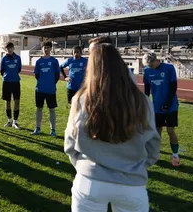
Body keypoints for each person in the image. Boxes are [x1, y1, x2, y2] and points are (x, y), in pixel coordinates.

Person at [64, 43, 161, 212]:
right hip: (131, 184)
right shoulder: (142, 101)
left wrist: (83, 165)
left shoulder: (81, 99)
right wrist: (134, 167)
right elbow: (153, 146)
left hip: (90, 182)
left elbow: (70, 144)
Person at [143, 52, 181, 167]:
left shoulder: (169, 68)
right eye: (147, 65)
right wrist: (146, 103)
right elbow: (147, 89)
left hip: (171, 106)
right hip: (156, 107)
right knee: (157, 132)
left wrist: (168, 103)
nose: (149, 67)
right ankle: (155, 154)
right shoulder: (147, 71)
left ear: (156, 60)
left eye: (150, 64)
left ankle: (175, 155)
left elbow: (174, 86)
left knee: (170, 131)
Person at [32, 41, 59, 137]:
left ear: (51, 49)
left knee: (52, 110)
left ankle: (53, 130)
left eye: (48, 47)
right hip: (40, 89)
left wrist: (51, 83)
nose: (46, 49)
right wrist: (42, 82)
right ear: (42, 48)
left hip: (51, 90)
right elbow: (36, 75)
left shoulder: (54, 61)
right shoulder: (38, 61)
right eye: (44, 47)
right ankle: (38, 128)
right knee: (39, 108)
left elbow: (57, 75)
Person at [0, 42, 22, 129]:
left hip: (16, 82)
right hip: (7, 82)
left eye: (11, 48)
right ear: (6, 49)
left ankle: (15, 122)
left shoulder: (18, 58)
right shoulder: (4, 59)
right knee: (7, 101)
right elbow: (2, 71)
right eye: (8, 48)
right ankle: (9, 120)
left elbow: (19, 69)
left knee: (17, 101)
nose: (9, 49)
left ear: (13, 48)